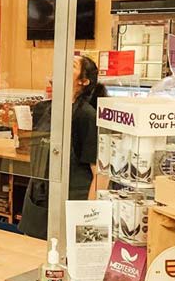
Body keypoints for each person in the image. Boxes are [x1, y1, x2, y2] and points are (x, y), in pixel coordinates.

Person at [18, 55, 107, 239]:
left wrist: (87, 219)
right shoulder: (42, 109)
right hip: (37, 200)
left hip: (70, 203)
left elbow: (100, 174)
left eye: (72, 65)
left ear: (83, 81)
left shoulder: (86, 117)